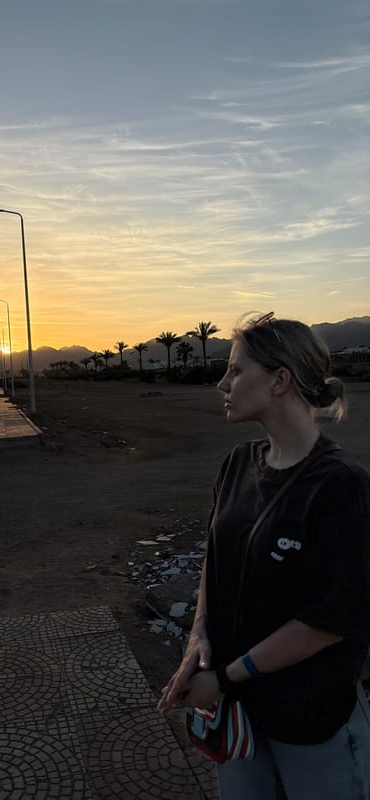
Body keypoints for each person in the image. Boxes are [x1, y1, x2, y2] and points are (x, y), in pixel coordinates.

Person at [157, 312, 370, 800]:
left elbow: (331, 619)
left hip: (312, 721)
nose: (221, 384)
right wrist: (197, 638)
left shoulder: (341, 485)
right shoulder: (238, 463)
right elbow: (216, 554)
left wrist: (226, 678)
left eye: (235, 370)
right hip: (239, 716)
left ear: (280, 380)